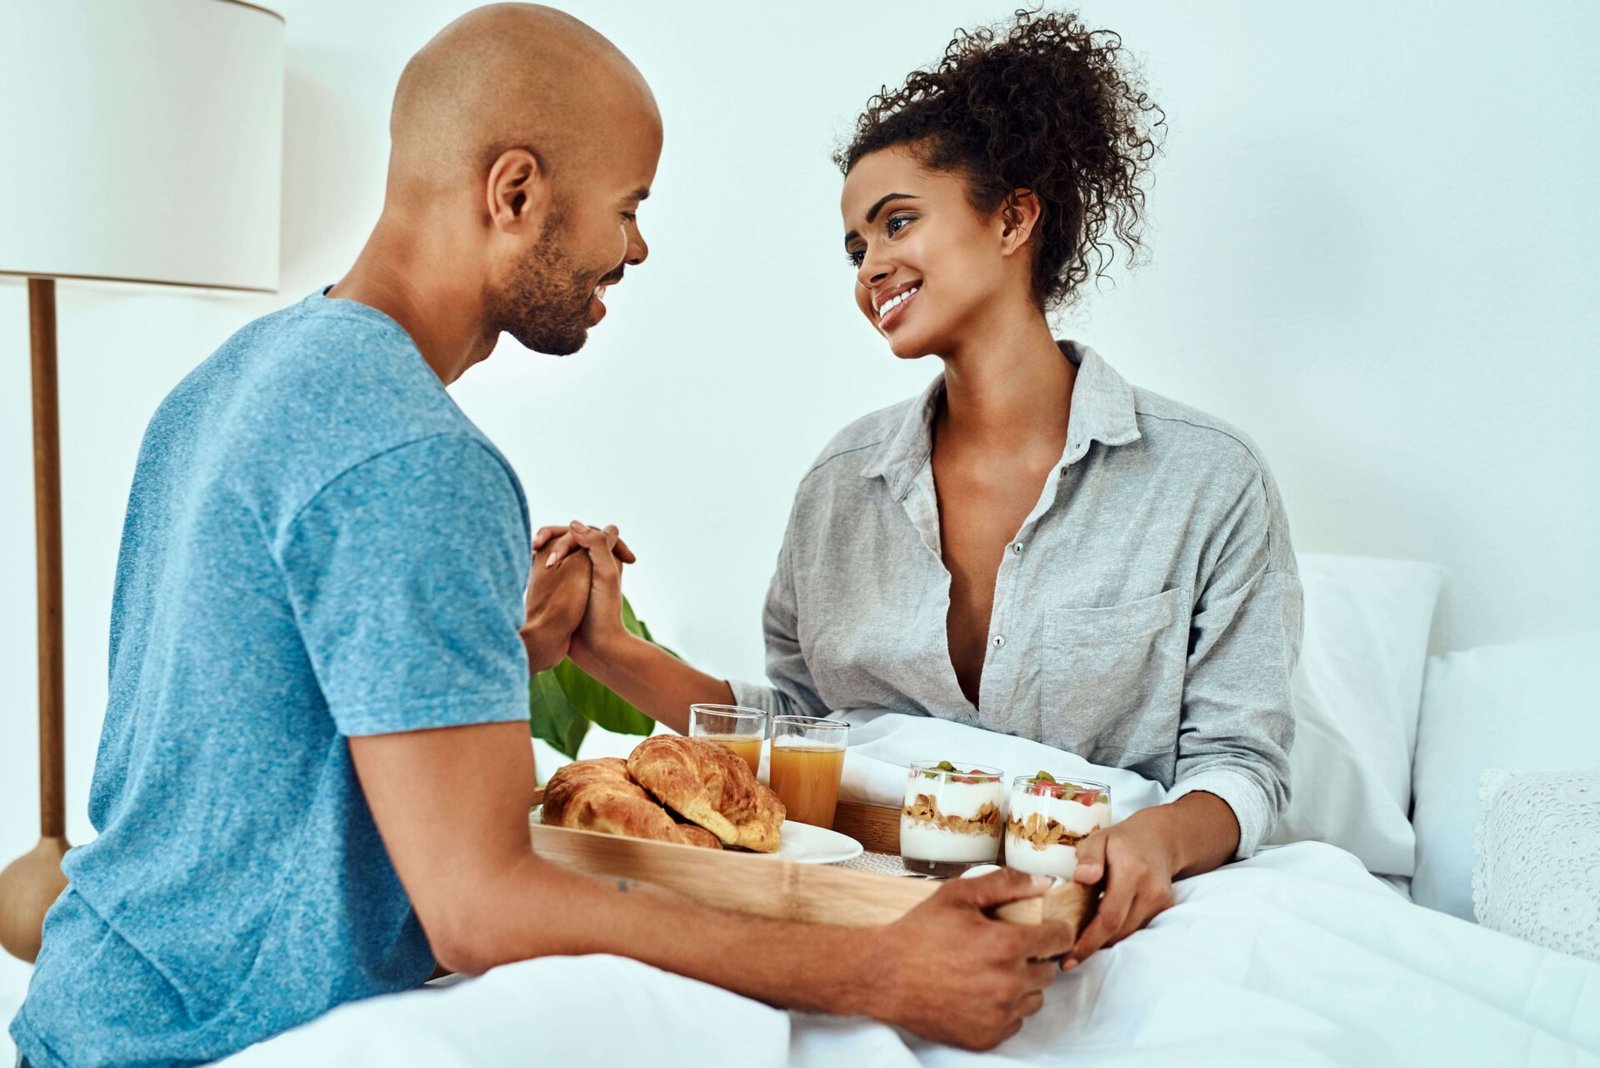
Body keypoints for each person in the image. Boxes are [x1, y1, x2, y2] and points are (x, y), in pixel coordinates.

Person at [9, 7, 1073, 1066]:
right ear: (514, 192)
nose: (636, 246)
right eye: (628, 207)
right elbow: (482, 906)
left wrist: (498, 647)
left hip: (97, 1010)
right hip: (198, 1044)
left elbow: (264, 725)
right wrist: (877, 970)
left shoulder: (234, 381)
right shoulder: (411, 454)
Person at [547, 9, 1303, 971]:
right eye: (856, 248)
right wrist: (604, 647)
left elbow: (1241, 766)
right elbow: (801, 738)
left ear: (1014, 218)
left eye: (898, 221)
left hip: (1104, 918)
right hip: (861, 908)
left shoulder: (1207, 479)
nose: (871, 269)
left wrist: (1156, 842)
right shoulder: (839, 487)